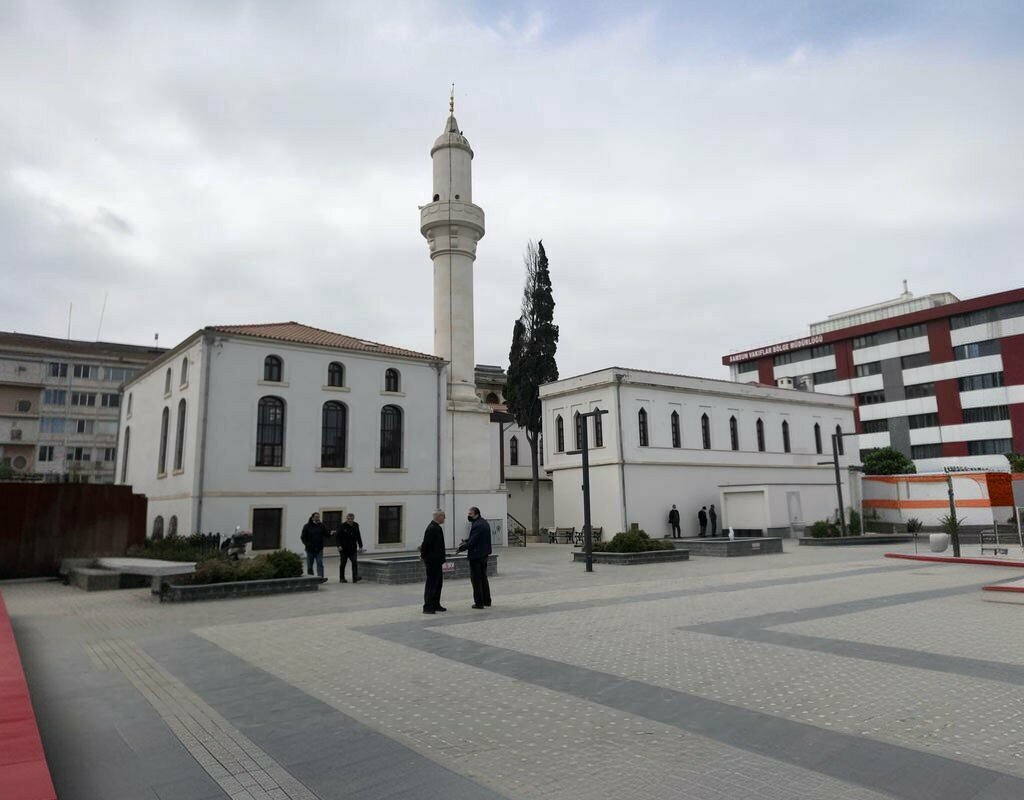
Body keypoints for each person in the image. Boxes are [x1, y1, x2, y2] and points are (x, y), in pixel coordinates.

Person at [458, 507, 492, 609]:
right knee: (483, 578)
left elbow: (473, 541)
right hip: (484, 555)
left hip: (476, 556)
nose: (469, 516)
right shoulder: (484, 522)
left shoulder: (477, 525)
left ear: (476, 514)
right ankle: (487, 600)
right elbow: (476, 537)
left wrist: (461, 548)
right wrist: (466, 540)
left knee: (476, 580)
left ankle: (479, 603)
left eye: (471, 514)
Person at [420, 509, 447, 614]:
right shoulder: (432, 528)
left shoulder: (437, 528)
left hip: (437, 561)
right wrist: (423, 556)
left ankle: (436, 604)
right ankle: (428, 606)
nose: (445, 518)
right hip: (432, 561)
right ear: (438, 516)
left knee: (438, 583)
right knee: (431, 584)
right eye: (443, 516)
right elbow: (426, 544)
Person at [300, 512, 328, 581]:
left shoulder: (322, 525)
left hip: (319, 549)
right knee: (310, 566)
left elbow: (326, 534)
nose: (317, 518)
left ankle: (320, 578)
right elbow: (303, 537)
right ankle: (311, 578)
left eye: (318, 517)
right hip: (310, 549)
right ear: (312, 517)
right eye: (316, 517)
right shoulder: (307, 526)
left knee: (319, 563)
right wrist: (307, 544)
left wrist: (331, 533)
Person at [336, 513, 363, 583]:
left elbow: (358, 536)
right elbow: (337, 537)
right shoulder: (342, 526)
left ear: (353, 519)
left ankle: (355, 577)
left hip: (353, 548)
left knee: (354, 562)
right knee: (343, 563)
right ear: (346, 518)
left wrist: (360, 546)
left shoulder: (356, 525)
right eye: (348, 519)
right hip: (343, 549)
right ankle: (342, 578)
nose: (350, 520)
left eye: (351, 519)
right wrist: (339, 545)